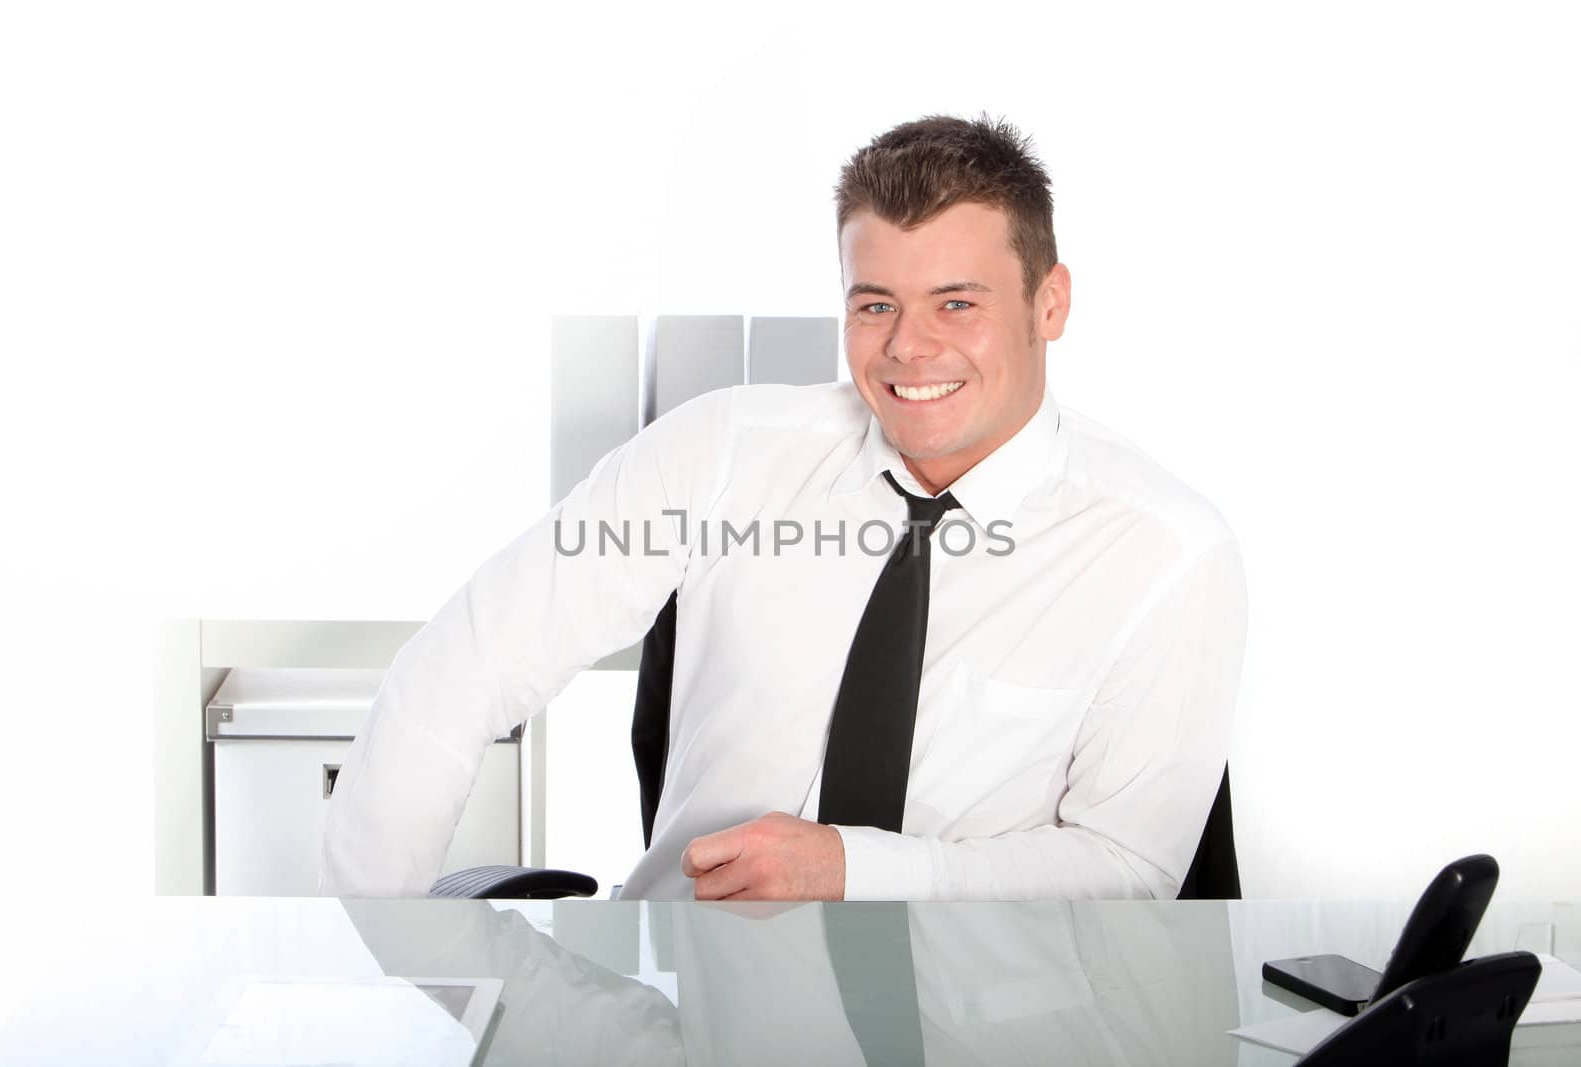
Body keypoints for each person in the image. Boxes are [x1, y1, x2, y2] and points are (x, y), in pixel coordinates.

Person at [319, 114, 1249, 902]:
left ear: (1051, 303)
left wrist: (856, 869)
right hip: (691, 1009)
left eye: (956, 303)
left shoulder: (1164, 551)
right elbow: (463, 665)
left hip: (980, 1025)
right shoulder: (722, 452)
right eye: (875, 305)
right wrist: (379, 952)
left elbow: (1127, 870)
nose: (909, 349)